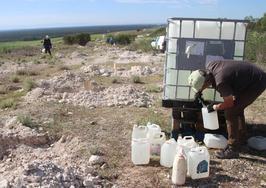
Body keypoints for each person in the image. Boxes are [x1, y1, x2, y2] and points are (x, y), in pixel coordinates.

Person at [188, 59, 266, 159]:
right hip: (249, 76)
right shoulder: (211, 66)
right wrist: (199, 92)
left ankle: (232, 149)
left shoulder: (221, 81)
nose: (202, 89)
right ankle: (241, 140)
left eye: (202, 87)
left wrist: (215, 107)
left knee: (231, 112)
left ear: (206, 82)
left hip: (257, 82)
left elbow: (229, 103)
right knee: (237, 108)